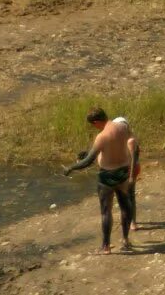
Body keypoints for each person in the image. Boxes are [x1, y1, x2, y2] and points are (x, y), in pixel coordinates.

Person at [63, 108, 140, 253]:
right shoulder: (123, 127)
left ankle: (105, 246)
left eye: (94, 125)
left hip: (107, 176)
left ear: (97, 122)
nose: (94, 127)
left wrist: (71, 168)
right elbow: (133, 145)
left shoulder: (102, 136)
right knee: (125, 205)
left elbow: (87, 161)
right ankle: (125, 239)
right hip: (123, 172)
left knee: (106, 211)